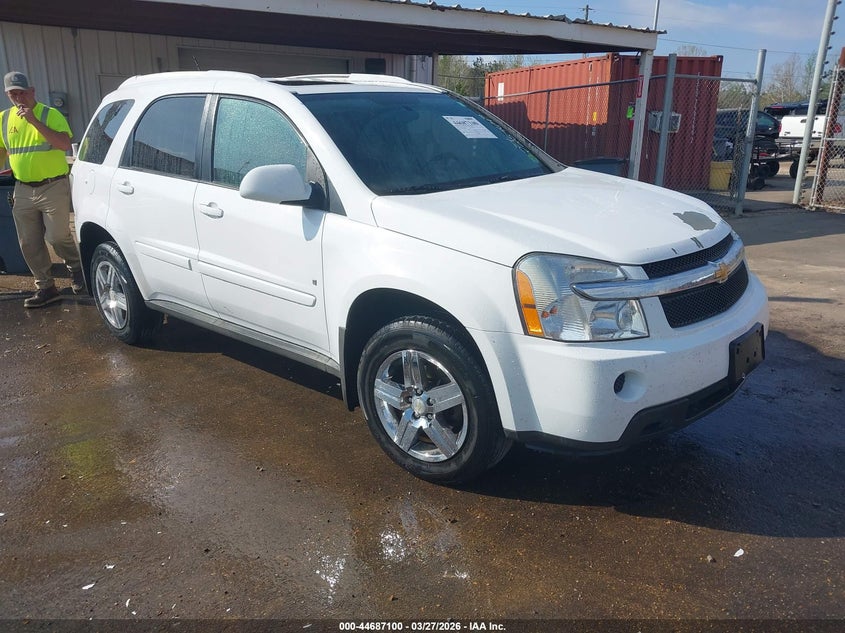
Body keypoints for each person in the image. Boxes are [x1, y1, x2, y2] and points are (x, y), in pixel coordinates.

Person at [0, 70, 84, 308]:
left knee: (57, 236)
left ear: (32, 91)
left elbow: (64, 143)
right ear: (7, 94)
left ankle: (77, 270)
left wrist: (33, 121)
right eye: (13, 93)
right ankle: (45, 287)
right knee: (28, 242)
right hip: (23, 188)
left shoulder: (50, 114)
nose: (18, 98)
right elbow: (2, 151)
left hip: (52, 186)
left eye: (22, 92)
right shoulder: (4, 119)